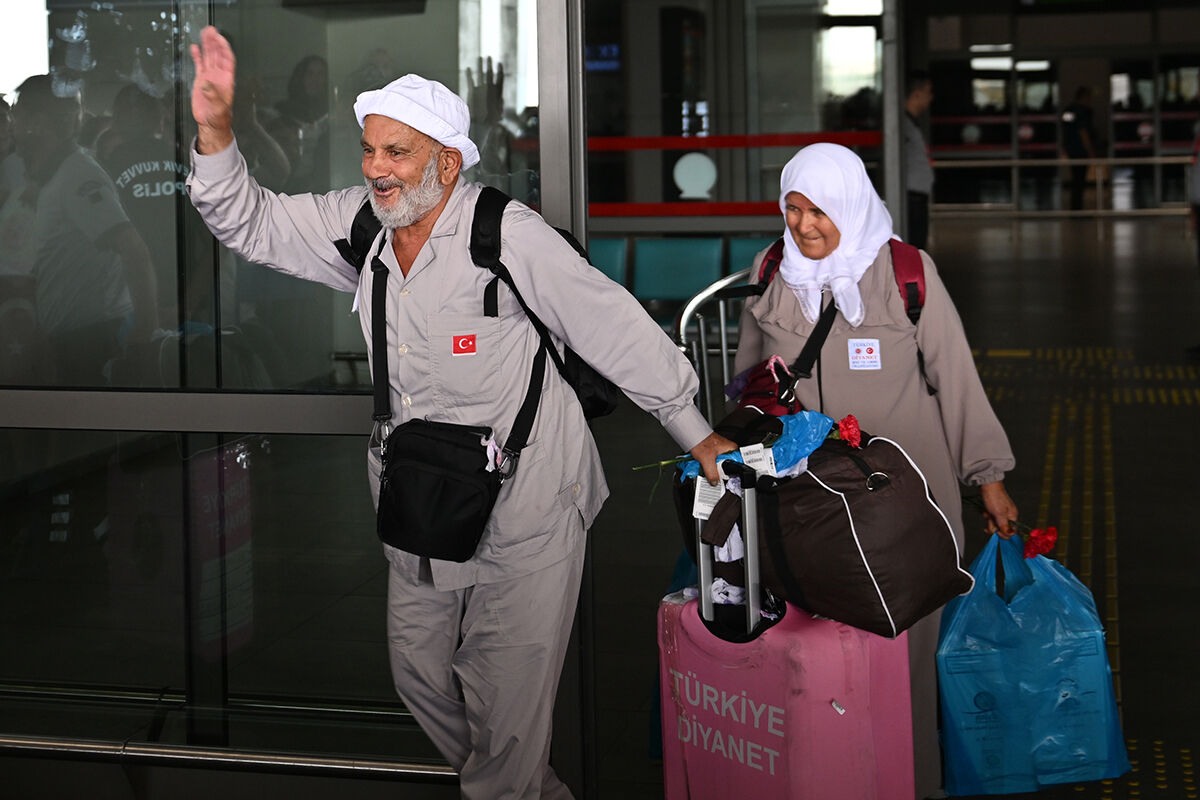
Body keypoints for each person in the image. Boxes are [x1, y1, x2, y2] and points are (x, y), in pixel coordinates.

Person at [185, 26, 734, 799]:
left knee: (505, 705)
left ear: (447, 162)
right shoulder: (363, 226)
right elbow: (252, 222)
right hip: (422, 494)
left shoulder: (506, 234)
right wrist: (216, 129)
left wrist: (695, 433)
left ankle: (510, 787)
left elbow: (610, 325)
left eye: (397, 152)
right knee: (420, 672)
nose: (376, 168)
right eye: (369, 150)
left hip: (529, 501)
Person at [732, 143, 1019, 800]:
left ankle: (908, 782)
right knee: (813, 647)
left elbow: (957, 379)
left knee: (904, 655)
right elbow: (751, 383)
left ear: (852, 205)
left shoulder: (905, 273)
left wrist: (989, 477)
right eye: (793, 209)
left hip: (903, 504)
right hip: (807, 501)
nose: (804, 225)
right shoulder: (773, 269)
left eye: (820, 211)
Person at [904, 70, 935, 250]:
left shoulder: (912, 123)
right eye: (928, 92)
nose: (930, 98)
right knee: (914, 247)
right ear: (916, 94)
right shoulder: (903, 125)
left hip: (918, 195)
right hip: (910, 196)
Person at [1062, 86, 1096, 211]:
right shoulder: (1082, 112)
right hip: (1080, 150)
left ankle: (1075, 207)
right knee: (1079, 181)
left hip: (1071, 149)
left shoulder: (1068, 111)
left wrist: (1065, 146)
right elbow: (1083, 132)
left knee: (1075, 179)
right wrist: (1090, 150)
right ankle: (1078, 209)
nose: (1090, 101)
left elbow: (1065, 129)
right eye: (1089, 98)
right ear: (1084, 97)